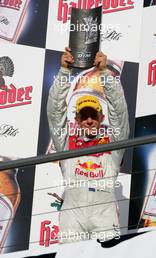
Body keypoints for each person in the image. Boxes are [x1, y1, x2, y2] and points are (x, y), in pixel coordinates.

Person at [47, 48, 129, 246]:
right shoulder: (66, 142)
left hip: (104, 216)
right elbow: (55, 113)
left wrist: (105, 75)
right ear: (77, 119)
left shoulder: (114, 143)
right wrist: (65, 72)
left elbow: (119, 111)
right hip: (72, 217)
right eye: (84, 116)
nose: (89, 120)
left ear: (102, 118)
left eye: (94, 115)